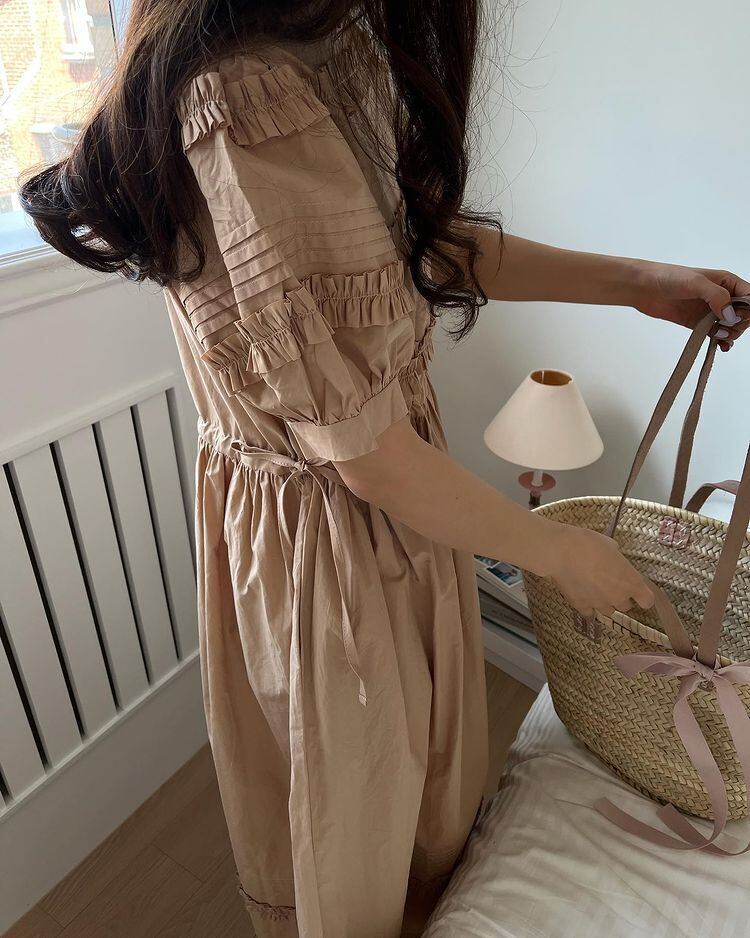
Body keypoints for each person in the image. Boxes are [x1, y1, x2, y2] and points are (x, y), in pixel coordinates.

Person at [19, 3, 748, 936]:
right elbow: (368, 457)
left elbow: (414, 248)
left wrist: (641, 283)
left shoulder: (321, 43)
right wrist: (561, 555)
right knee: (359, 816)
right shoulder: (244, 96)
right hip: (334, 534)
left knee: (407, 786)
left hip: (383, 508)